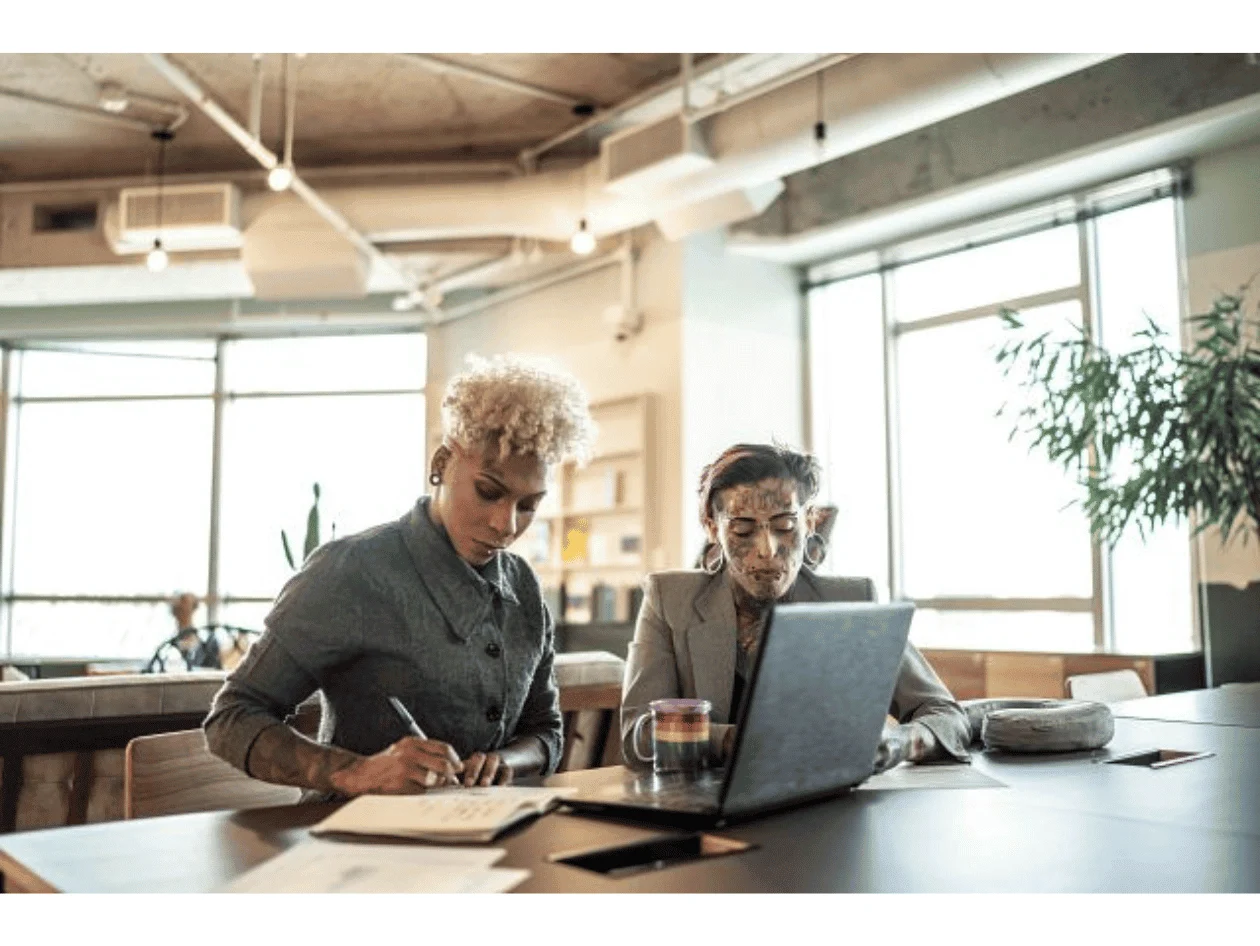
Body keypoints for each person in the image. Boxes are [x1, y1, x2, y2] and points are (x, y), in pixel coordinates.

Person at [204, 354, 596, 798]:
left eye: (529, 505)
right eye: (489, 492)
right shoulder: (350, 571)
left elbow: (545, 731)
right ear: (443, 462)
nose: (506, 525)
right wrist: (357, 772)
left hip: (484, 837)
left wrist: (504, 762)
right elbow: (232, 718)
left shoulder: (524, 587)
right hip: (354, 844)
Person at [621, 443, 971, 774]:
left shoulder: (851, 603)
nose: (768, 549)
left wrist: (899, 743)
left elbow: (945, 715)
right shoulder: (669, 599)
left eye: (784, 526)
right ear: (713, 529)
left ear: (810, 522)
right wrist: (740, 742)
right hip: (703, 811)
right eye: (743, 530)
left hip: (824, 809)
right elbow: (638, 734)